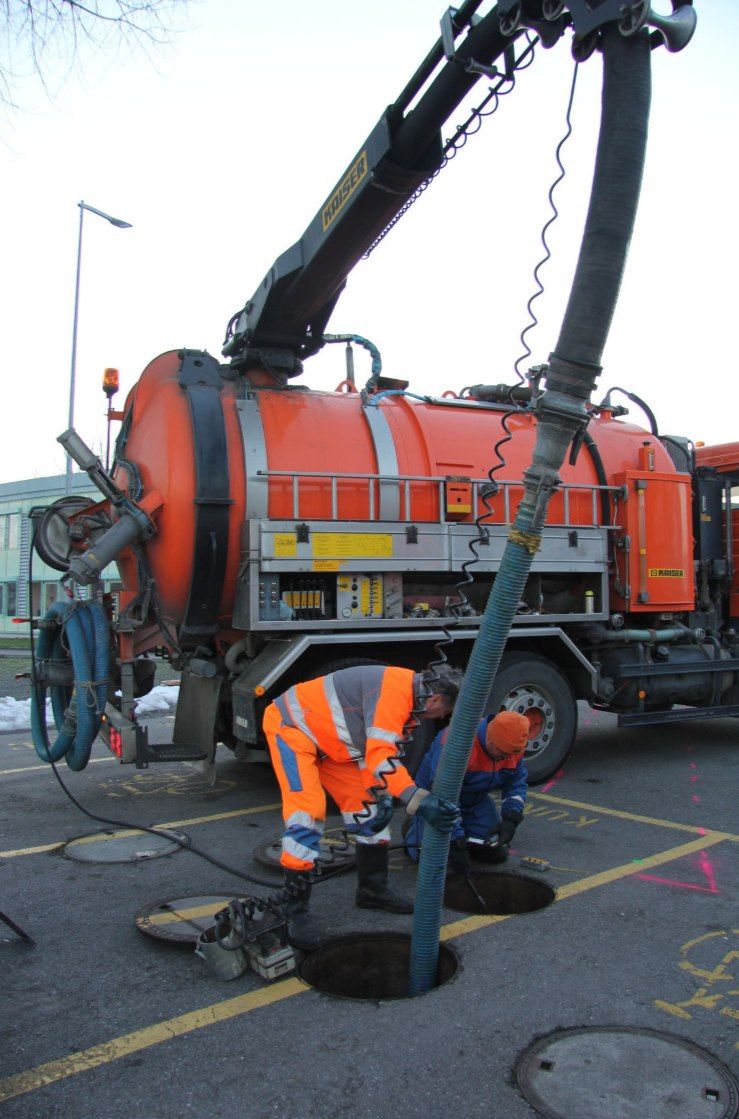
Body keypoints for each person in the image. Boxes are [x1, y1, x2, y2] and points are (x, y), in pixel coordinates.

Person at [262, 663, 464, 950]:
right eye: (444, 711)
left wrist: (381, 796)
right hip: (292, 728)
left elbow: (375, 753)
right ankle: (294, 912)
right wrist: (419, 800)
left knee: (369, 813)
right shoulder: (394, 692)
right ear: (433, 699)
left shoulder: (410, 699)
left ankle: (372, 890)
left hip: (332, 745)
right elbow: (381, 757)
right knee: (306, 813)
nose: (442, 717)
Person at [404, 710, 529, 875]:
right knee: (430, 858)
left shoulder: (512, 747)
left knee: (494, 853)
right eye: (502, 753)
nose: (506, 758)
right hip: (434, 801)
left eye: (509, 754)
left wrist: (511, 818)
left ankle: (465, 834)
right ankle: (412, 827)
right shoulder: (456, 743)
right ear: (490, 741)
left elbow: (516, 782)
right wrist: (456, 839)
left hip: (475, 800)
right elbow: (445, 798)